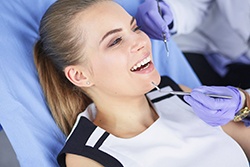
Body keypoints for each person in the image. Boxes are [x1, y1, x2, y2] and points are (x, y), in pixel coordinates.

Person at [34, 0, 250, 166]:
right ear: (80, 76)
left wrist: (244, 103)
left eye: (135, 28)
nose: (141, 40)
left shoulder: (176, 94)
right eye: (115, 41)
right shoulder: (90, 157)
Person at [136, 0, 250, 88]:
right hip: (199, 43)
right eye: (117, 40)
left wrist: (244, 101)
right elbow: (195, 4)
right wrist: (170, 13)